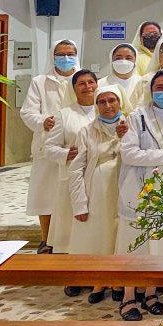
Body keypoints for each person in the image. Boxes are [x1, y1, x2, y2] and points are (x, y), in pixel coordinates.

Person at [117, 71, 163, 320]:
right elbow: (129, 153)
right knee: (133, 245)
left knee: (161, 245)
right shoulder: (136, 117)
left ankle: (150, 294)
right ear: (151, 90)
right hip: (138, 189)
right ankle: (128, 297)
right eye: (160, 87)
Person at [68, 85, 128, 304]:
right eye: (102, 101)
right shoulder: (86, 131)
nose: (108, 105)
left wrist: (122, 138)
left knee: (120, 234)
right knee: (100, 236)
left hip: (125, 186)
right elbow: (76, 169)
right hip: (97, 190)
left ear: (120, 102)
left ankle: (120, 280)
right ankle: (100, 280)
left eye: (112, 100)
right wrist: (79, 203)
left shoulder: (132, 125)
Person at [24, 39, 78, 250]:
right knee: (46, 197)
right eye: (61, 54)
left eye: (70, 54)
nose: (66, 58)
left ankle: (72, 241)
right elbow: (27, 112)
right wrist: (42, 121)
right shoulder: (40, 82)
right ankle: (46, 240)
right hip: (46, 146)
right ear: (52, 56)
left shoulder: (83, 79)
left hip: (74, 146)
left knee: (73, 197)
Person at [41, 69, 98, 258]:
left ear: (97, 85)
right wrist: (67, 154)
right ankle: (70, 268)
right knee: (70, 226)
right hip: (71, 178)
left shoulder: (106, 109)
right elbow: (48, 147)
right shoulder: (64, 114)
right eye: (81, 83)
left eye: (90, 82)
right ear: (74, 88)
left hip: (99, 179)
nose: (87, 87)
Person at [99, 43, 144, 113]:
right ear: (111, 60)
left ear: (135, 61)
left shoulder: (143, 83)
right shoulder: (100, 84)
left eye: (128, 58)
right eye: (118, 58)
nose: (123, 61)